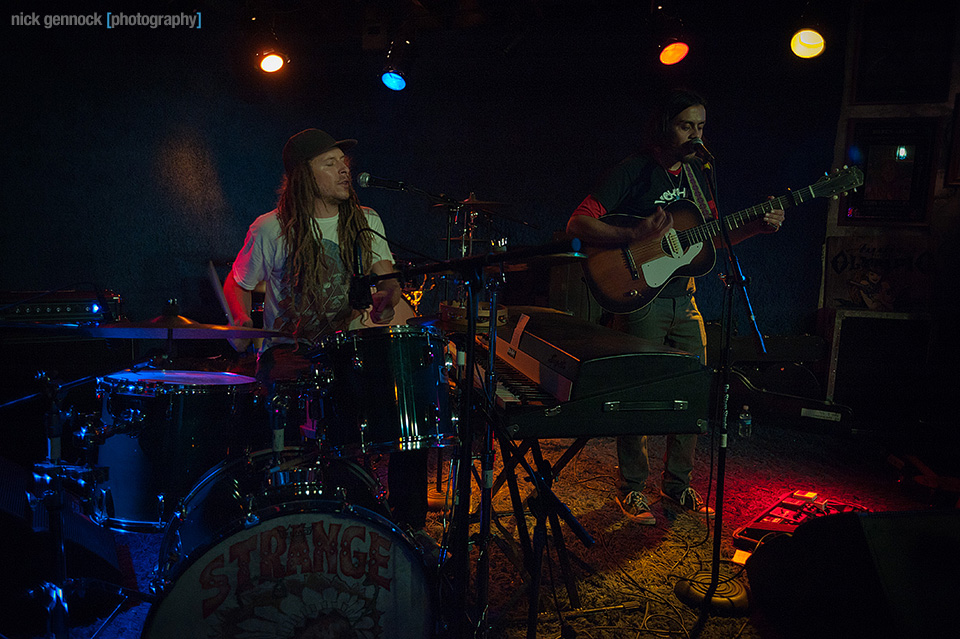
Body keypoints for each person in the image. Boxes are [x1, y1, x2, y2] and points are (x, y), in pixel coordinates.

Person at [566, 89, 785, 525]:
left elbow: (712, 238)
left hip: (685, 300)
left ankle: (678, 486)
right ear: (664, 125)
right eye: (687, 125)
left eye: (701, 126)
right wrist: (633, 234)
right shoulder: (634, 169)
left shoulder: (697, 179)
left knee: (692, 392)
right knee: (639, 394)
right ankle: (631, 490)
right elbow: (577, 222)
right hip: (640, 299)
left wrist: (756, 229)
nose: (695, 135)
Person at [223, 128, 429, 532]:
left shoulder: (366, 221)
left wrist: (388, 300)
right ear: (304, 174)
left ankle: (409, 529)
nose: (344, 171)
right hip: (291, 354)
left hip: (346, 352)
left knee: (411, 416)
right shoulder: (270, 228)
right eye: (330, 163)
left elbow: (388, 281)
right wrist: (241, 320)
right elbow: (237, 284)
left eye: (344, 163)